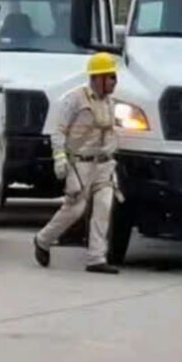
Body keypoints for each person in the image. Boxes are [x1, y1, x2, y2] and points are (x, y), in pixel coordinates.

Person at [33, 52, 122, 274]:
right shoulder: (75, 99)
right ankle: (43, 239)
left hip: (103, 164)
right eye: (110, 76)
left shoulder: (110, 103)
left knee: (103, 208)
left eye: (114, 77)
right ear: (97, 78)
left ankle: (96, 258)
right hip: (80, 164)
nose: (114, 81)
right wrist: (59, 158)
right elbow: (59, 130)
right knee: (75, 209)